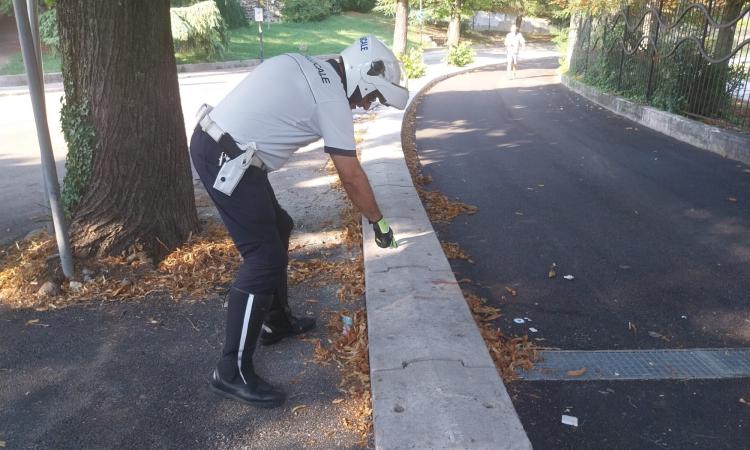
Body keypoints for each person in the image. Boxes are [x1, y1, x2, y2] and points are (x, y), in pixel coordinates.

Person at [189, 35, 407, 408]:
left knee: (279, 227)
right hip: (228, 160)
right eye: (370, 96)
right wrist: (379, 222)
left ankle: (276, 321)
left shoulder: (311, 65)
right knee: (263, 256)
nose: (366, 105)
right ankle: (230, 371)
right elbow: (351, 176)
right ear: (360, 76)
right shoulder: (332, 99)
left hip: (223, 148)